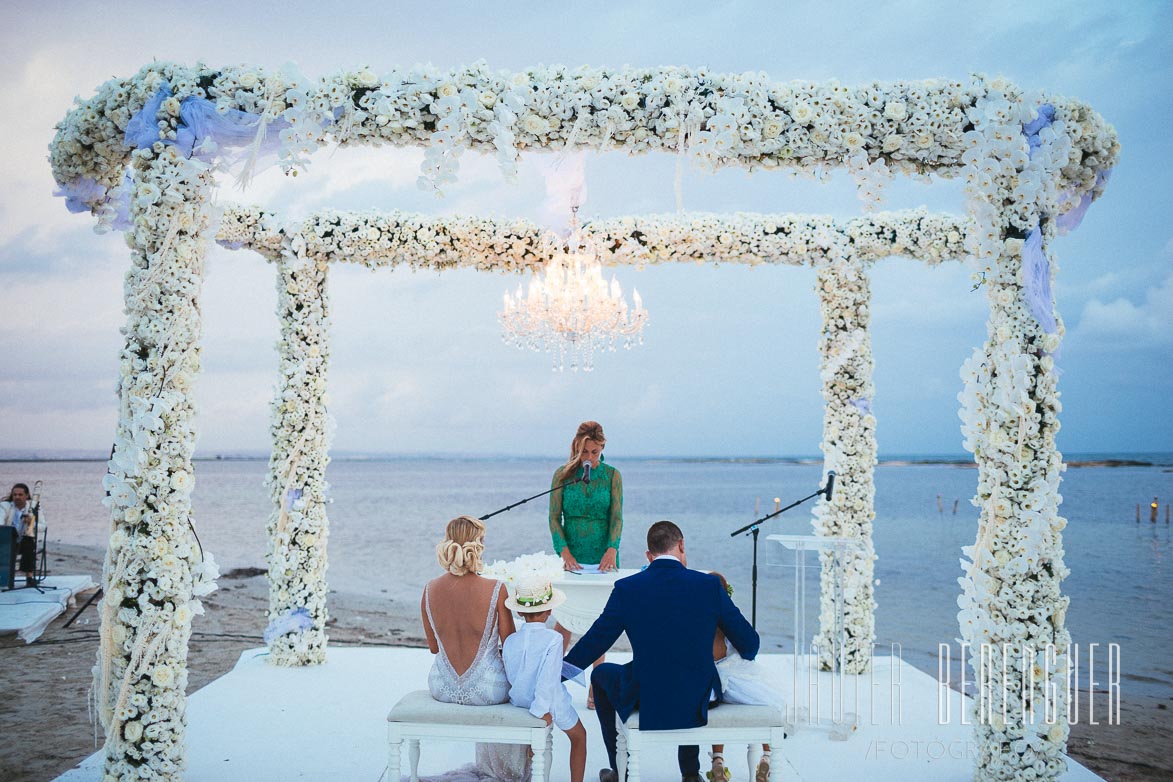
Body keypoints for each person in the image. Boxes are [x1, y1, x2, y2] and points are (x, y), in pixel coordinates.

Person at [565, 521, 760, 782]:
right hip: (700, 695)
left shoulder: (627, 588)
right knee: (690, 671)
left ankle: (620, 770)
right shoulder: (709, 586)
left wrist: (556, 675)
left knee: (600, 677)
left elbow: (595, 642)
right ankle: (690, 774)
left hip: (648, 694)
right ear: (681, 545)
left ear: (649, 555)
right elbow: (750, 645)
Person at [421, 515, 526, 782]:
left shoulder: (429, 589)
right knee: (522, 692)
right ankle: (506, 773)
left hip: (441, 687)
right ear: (477, 546)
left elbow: (434, 648)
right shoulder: (496, 588)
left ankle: (491, 769)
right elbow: (510, 645)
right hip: (487, 690)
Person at [549, 421, 623, 706]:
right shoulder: (562, 475)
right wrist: (564, 551)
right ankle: (553, 679)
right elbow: (555, 517)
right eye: (584, 452)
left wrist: (612, 549)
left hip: (603, 557)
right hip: (572, 557)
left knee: (599, 622)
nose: (589, 457)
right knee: (565, 619)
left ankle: (597, 685)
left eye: (594, 451)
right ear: (576, 449)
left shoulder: (613, 476)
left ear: (602, 448)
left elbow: (616, 516)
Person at [502, 579, 587, 782]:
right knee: (579, 737)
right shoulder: (553, 639)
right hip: (547, 701)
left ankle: (533, 756)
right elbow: (547, 679)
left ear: (520, 612)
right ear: (549, 610)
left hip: (520, 700)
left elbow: (512, 675)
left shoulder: (511, 640)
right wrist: (541, 711)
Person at [706, 572, 786, 782]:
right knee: (765, 700)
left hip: (712, 686)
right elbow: (749, 649)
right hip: (736, 682)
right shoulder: (727, 619)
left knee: (720, 705)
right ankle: (767, 755)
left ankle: (718, 760)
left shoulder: (700, 618)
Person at [1, 483, 39, 583]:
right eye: (15, 495)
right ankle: (7, 577)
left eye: (20, 495)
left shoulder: (33, 508)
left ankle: (29, 577)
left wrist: (32, 523)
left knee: (29, 541)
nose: (17, 497)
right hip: (7, 541)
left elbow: (43, 526)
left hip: (23, 542)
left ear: (27, 496)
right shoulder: (5, 506)